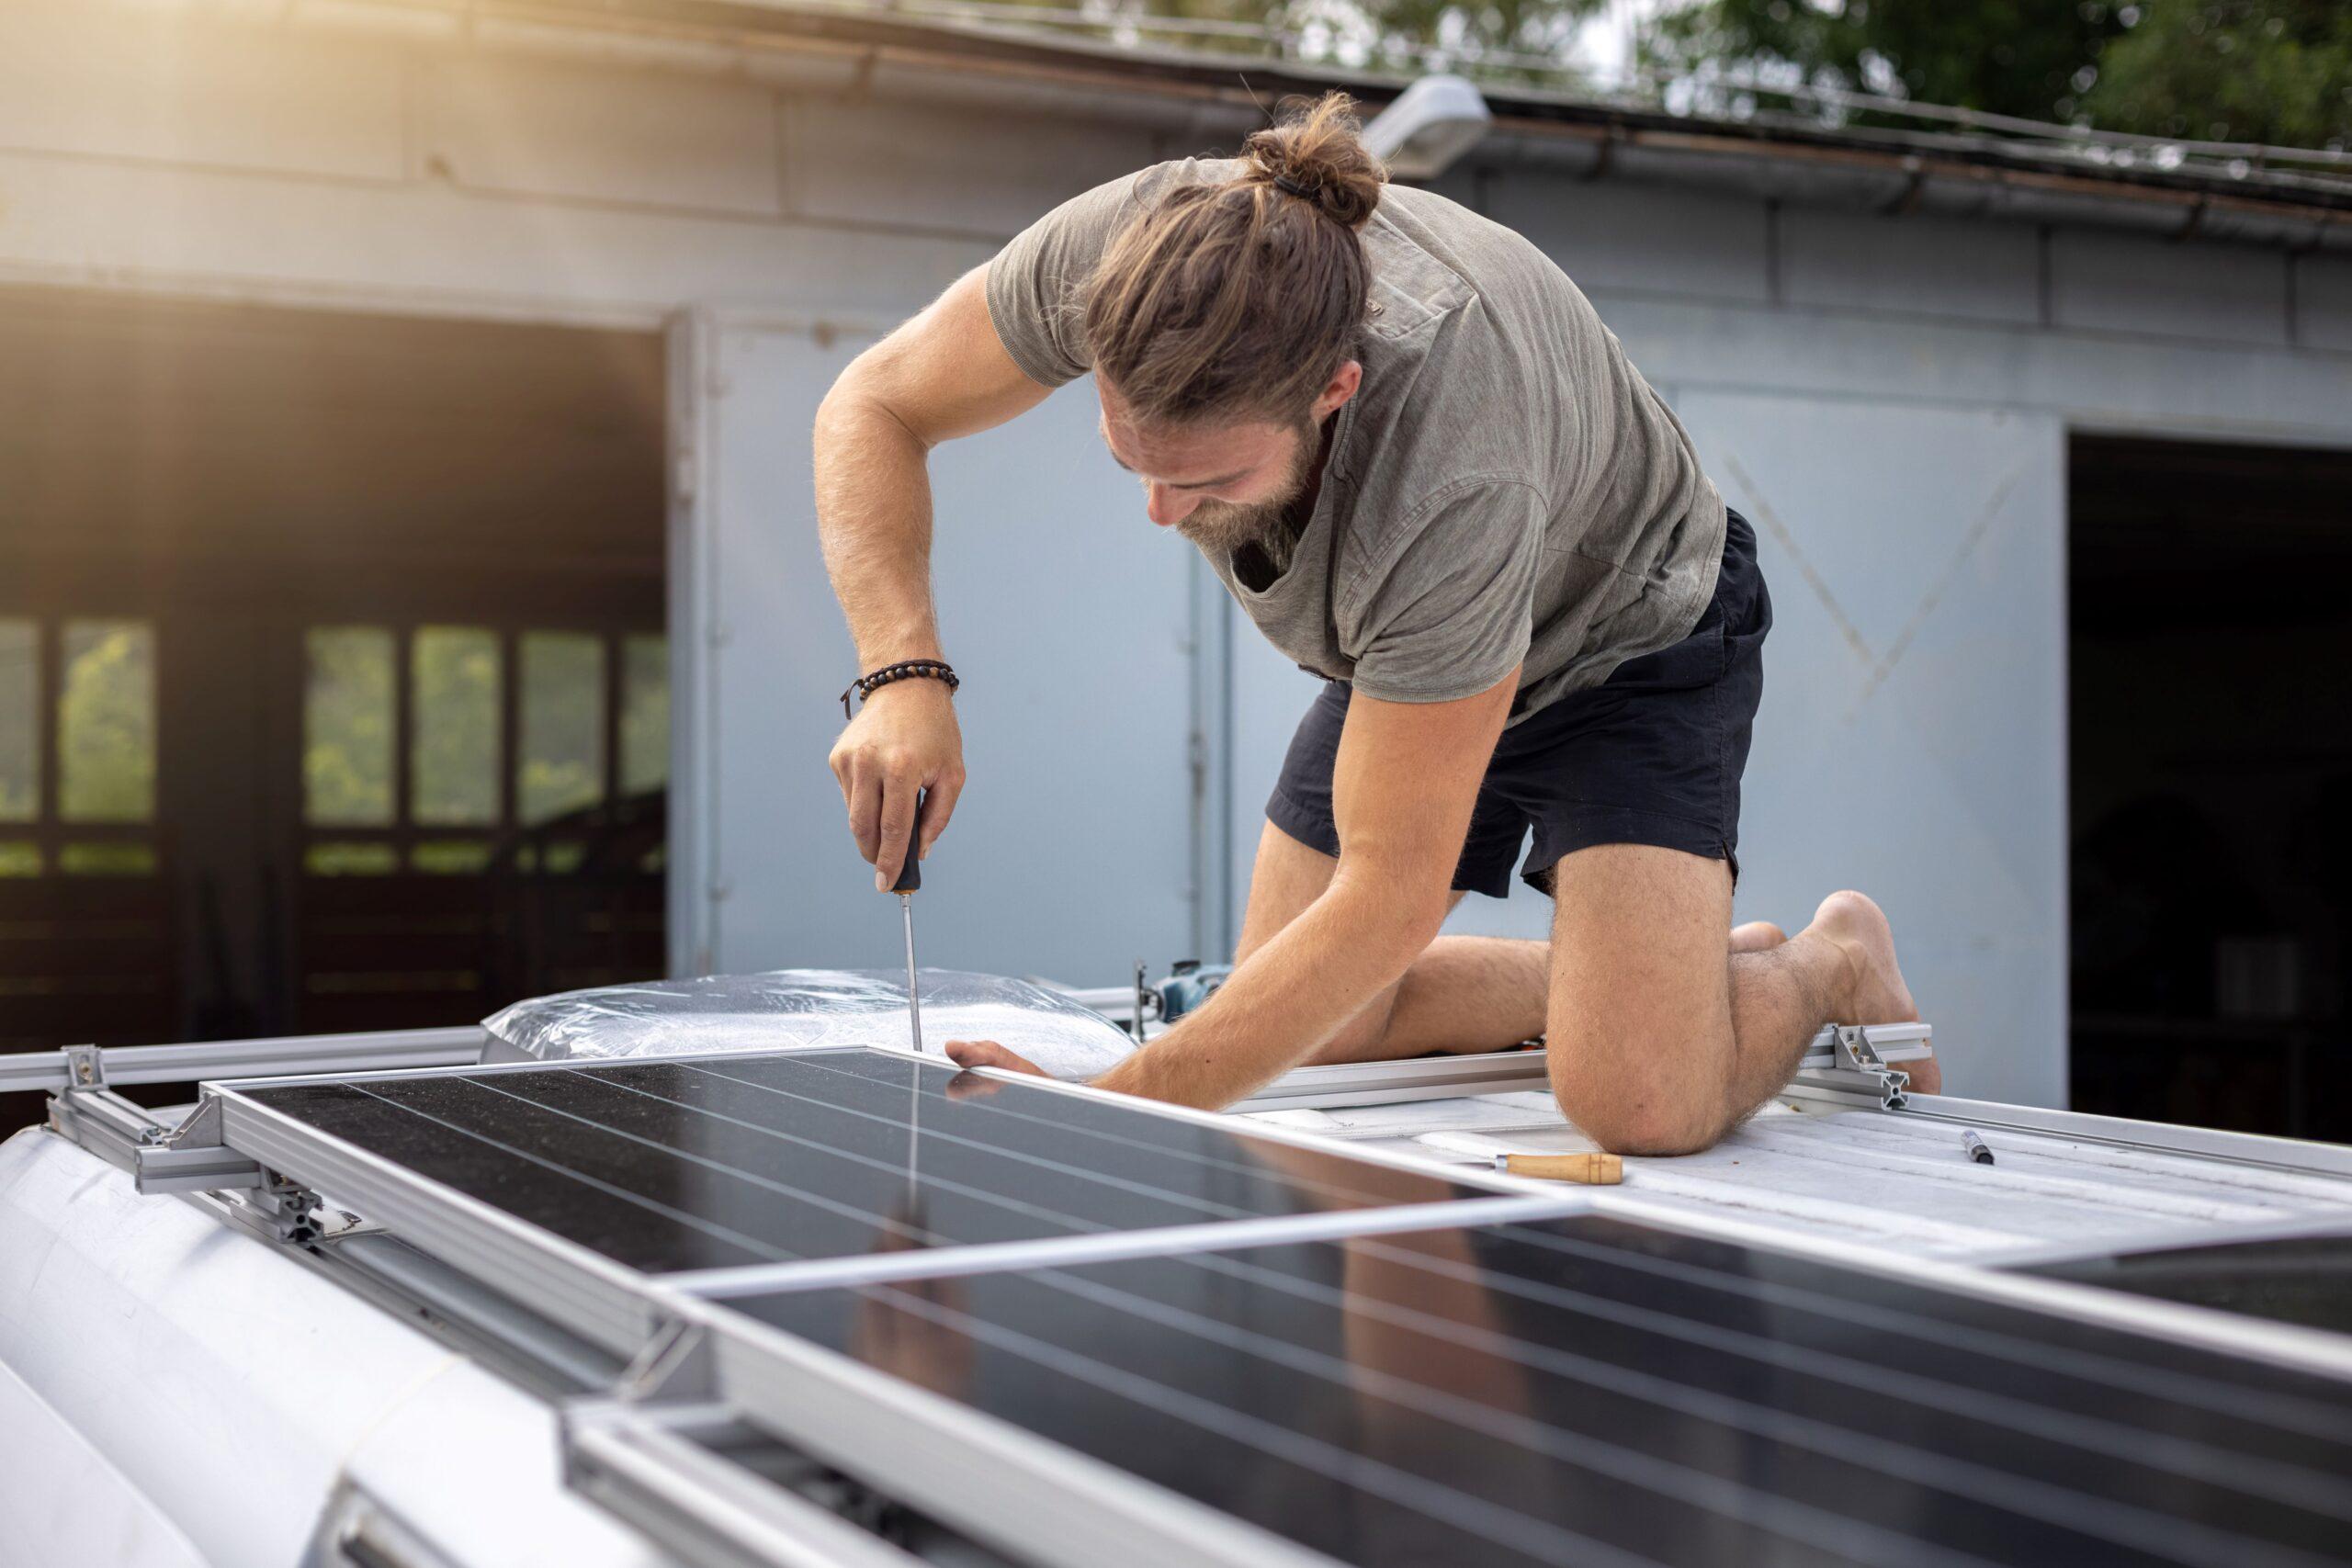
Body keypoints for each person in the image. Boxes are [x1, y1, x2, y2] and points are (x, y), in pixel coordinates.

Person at [812, 93, 1933, 1155]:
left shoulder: (1450, 466)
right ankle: (1647, 982)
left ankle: (1824, 959)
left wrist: (1118, 1106)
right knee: (1323, 1022)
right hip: (1412, 639)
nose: (1160, 513)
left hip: (1627, 635)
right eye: (1128, 462)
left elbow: (1388, 898)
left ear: (1333, 390)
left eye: (1206, 479)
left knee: (1638, 1101)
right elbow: (875, 402)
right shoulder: (1129, 257)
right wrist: (903, 672)